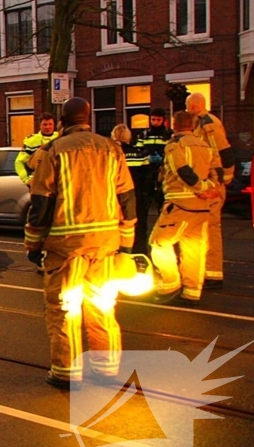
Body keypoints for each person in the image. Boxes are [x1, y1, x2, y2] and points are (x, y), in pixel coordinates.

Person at [24, 97, 136, 390]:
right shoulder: (112, 149)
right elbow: (127, 197)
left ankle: (66, 371)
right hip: (105, 244)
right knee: (101, 305)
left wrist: (33, 244)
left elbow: (41, 201)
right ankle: (107, 369)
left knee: (65, 308)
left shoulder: (54, 151)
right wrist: (126, 241)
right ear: (88, 119)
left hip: (66, 246)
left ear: (62, 122)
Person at [150, 111, 222, 306]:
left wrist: (200, 188)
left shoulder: (174, 145)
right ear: (192, 125)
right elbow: (217, 171)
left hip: (180, 204)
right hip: (202, 207)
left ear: (174, 125)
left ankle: (170, 284)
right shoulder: (205, 146)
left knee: (159, 243)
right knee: (194, 249)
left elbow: (181, 170)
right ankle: (191, 292)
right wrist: (210, 189)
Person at [185, 93, 234, 288]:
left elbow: (222, 150)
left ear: (195, 105)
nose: (187, 109)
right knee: (205, 228)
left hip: (213, 181)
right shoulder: (201, 123)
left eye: (188, 106)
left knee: (212, 228)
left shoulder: (208, 123)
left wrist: (225, 178)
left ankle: (213, 273)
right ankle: (207, 270)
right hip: (209, 180)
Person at [134, 108, 172, 247]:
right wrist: (146, 156)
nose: (155, 122)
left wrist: (162, 159)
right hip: (148, 174)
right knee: (144, 208)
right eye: (153, 120)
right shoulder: (144, 135)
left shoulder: (169, 135)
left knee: (163, 208)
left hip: (164, 174)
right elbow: (138, 152)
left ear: (164, 120)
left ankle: (163, 238)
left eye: (158, 120)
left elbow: (172, 153)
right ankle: (143, 241)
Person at [111, 124, 150, 254]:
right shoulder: (139, 154)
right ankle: (140, 255)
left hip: (115, 197)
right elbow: (147, 178)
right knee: (139, 229)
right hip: (137, 197)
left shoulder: (111, 154)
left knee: (116, 229)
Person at [15, 113, 59, 186]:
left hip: (56, 182)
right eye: (45, 124)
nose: (48, 127)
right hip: (38, 183)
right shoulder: (31, 141)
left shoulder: (60, 137)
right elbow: (19, 162)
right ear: (40, 125)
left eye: (50, 124)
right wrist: (26, 180)